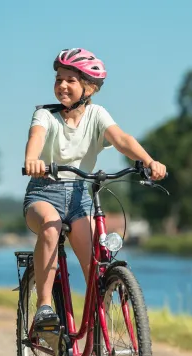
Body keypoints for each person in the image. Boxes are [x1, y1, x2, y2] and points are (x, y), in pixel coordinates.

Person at [23, 48, 166, 329]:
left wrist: (148, 161)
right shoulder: (45, 115)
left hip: (79, 196)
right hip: (43, 192)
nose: (62, 85)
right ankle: (43, 307)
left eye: (70, 80)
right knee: (50, 227)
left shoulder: (97, 115)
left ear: (89, 88)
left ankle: (95, 341)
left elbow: (122, 139)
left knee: (95, 266)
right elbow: (36, 137)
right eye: (58, 79)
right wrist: (32, 159)